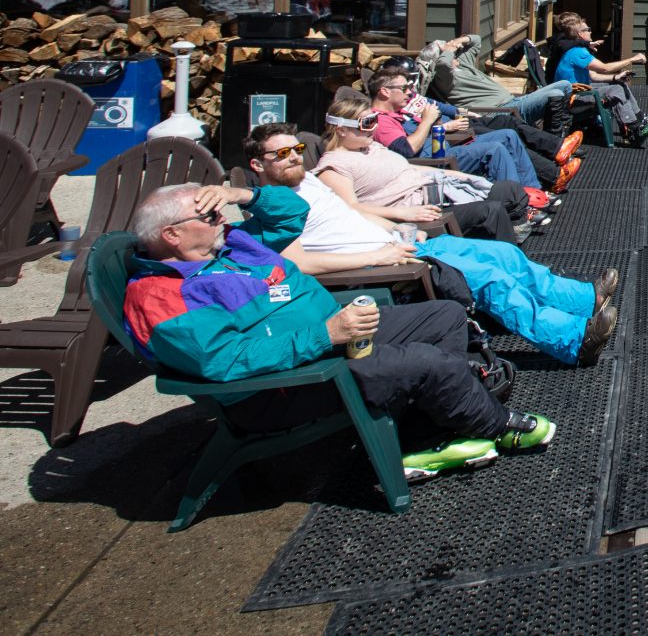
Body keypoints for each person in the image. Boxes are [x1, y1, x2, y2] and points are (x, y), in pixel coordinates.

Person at [121, 179, 554, 484]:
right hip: (286, 386)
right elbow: (223, 359)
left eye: (218, 210)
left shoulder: (232, 244)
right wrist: (326, 336)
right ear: (172, 234)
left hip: (330, 340)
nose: (221, 217)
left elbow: (293, 212)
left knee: (443, 315)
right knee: (426, 361)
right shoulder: (160, 294)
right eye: (209, 214)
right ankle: (495, 426)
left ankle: (430, 431)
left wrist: (241, 194)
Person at [245, 124, 618, 365]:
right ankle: (572, 340)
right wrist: (378, 254)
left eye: (294, 148)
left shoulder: (308, 183)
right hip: (375, 265)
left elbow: (353, 215)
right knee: (489, 280)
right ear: (257, 165)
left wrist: (398, 226)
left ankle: (583, 299)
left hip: (399, 246)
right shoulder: (268, 213)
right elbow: (299, 265)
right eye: (280, 154)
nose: (293, 156)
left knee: (503, 254)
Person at [314, 93, 531, 241]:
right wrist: (404, 213)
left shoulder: (372, 147)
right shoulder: (334, 167)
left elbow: (410, 169)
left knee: (511, 190)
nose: (373, 129)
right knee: (491, 211)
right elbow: (351, 209)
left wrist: (455, 175)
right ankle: (508, 260)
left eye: (374, 121)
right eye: (366, 124)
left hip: (434, 191)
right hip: (417, 212)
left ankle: (503, 241)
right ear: (341, 130)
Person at [364, 71, 552, 197]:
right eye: (404, 89)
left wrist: (437, 122)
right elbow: (406, 149)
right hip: (434, 161)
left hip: (443, 146)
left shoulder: (400, 111)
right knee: (494, 149)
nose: (409, 92)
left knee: (507, 134)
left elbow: (434, 123)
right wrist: (428, 120)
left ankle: (533, 193)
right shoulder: (381, 121)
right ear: (384, 92)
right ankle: (517, 202)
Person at [419, 33, 575, 134]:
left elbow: (476, 40)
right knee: (556, 94)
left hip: (514, 100)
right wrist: (448, 50)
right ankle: (556, 142)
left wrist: (458, 41)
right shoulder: (443, 76)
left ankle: (551, 139)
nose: (453, 53)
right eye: (448, 51)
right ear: (439, 58)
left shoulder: (461, 63)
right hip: (501, 111)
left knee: (564, 85)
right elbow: (443, 65)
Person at [546, 12, 648, 145]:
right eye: (588, 29)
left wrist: (615, 77)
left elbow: (593, 76)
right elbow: (605, 68)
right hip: (571, 98)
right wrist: (633, 59)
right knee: (615, 91)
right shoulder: (577, 52)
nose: (590, 31)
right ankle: (633, 131)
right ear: (580, 34)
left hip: (579, 91)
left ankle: (639, 121)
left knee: (620, 85)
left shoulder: (578, 49)